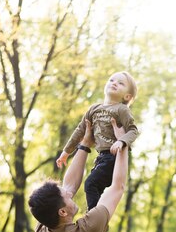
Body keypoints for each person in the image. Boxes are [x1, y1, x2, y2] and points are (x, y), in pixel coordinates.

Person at [56, 71, 139, 210]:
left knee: (90, 184)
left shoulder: (122, 109)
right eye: (112, 80)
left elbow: (133, 131)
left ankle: (94, 217)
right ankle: (99, 218)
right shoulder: (94, 109)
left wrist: (121, 141)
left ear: (127, 96)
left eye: (120, 83)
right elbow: (80, 131)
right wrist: (66, 151)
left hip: (114, 158)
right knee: (95, 187)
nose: (114, 83)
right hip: (101, 158)